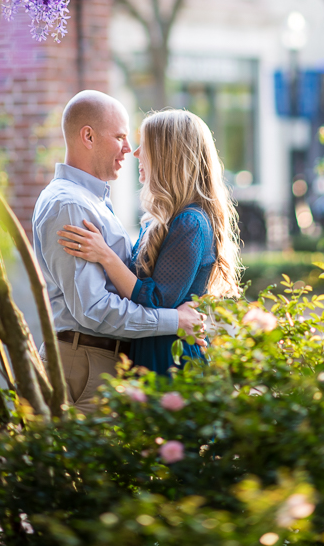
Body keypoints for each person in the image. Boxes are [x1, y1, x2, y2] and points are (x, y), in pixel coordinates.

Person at [32, 91, 206, 412]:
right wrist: (174, 321)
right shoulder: (71, 205)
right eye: (121, 137)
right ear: (88, 136)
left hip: (98, 361)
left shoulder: (93, 201)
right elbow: (94, 310)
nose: (130, 149)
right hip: (83, 363)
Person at [57, 108, 241, 374]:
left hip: (170, 357)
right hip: (152, 347)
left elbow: (156, 300)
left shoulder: (190, 222)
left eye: (146, 145)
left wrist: (105, 255)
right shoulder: (163, 220)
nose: (135, 153)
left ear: (170, 155)